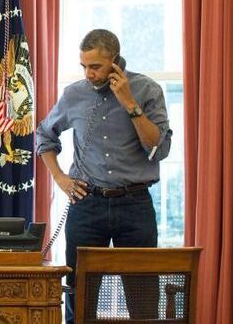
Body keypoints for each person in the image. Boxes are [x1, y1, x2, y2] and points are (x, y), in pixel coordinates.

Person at [36, 29, 172, 324]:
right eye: (84, 66)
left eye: (95, 67)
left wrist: (128, 103)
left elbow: (158, 148)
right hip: (87, 204)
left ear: (116, 61)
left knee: (143, 300)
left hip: (134, 205)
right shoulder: (74, 95)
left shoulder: (147, 90)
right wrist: (60, 178)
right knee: (80, 298)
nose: (89, 74)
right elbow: (44, 135)